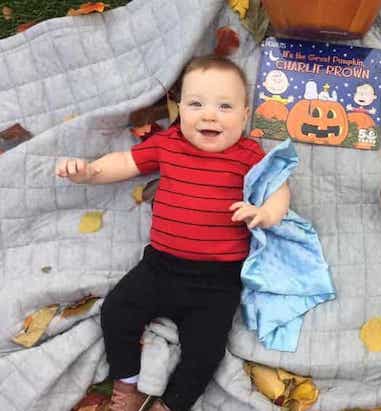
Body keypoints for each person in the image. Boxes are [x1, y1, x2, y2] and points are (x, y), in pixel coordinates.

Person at [56, 56, 290, 411]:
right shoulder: (169, 143)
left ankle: (172, 404)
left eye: (224, 107)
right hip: (159, 268)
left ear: (245, 116)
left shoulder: (249, 154)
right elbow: (125, 162)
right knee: (117, 311)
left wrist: (267, 212)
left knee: (206, 351)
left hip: (217, 281)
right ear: (181, 109)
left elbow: (278, 186)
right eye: (196, 104)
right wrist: (89, 171)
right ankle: (127, 386)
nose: (209, 115)